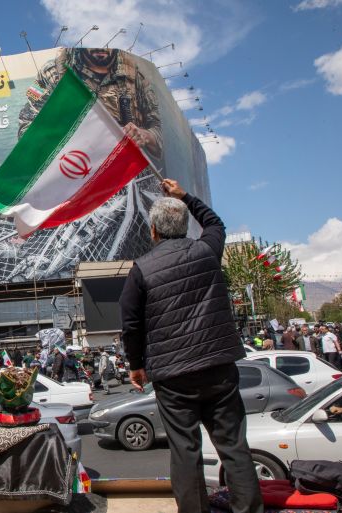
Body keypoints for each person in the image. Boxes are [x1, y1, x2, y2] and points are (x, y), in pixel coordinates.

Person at [119, 179, 263, 513]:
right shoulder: (207, 249)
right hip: (219, 368)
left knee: (185, 451)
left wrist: (136, 365)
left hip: (172, 377)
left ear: (153, 231)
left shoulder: (140, 270)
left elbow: (131, 325)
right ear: (185, 226)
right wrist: (185, 196)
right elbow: (215, 223)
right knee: (234, 447)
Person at [18, 48, 163, 167]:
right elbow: (27, 126)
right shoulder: (52, 72)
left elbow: (157, 133)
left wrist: (144, 135)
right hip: (73, 170)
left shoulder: (135, 76)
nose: (101, 48)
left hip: (125, 172)